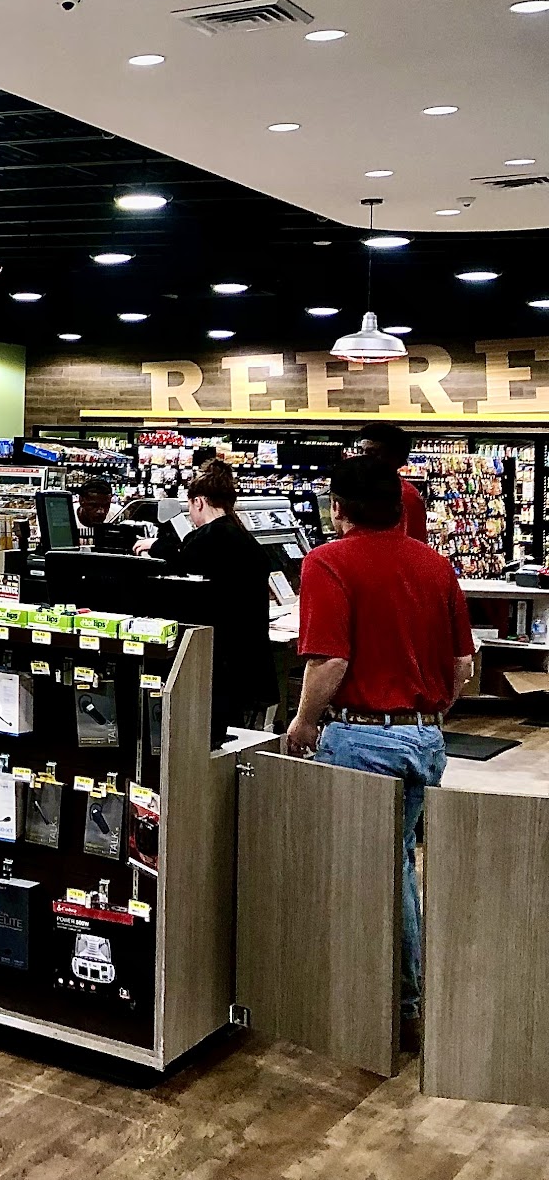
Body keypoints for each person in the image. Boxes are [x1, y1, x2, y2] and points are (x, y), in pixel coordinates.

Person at [286, 454, 474, 1044]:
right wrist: (426, 717)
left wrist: (303, 722)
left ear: (337, 507)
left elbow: (330, 661)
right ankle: (400, 1000)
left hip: (360, 738)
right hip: (425, 739)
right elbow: (463, 665)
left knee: (360, 872)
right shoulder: (435, 565)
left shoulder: (326, 562)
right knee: (399, 864)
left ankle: (384, 1004)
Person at [156, 461, 275, 740]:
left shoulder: (209, 538)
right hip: (248, 661)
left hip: (219, 664)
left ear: (198, 502)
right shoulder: (239, 534)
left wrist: (157, 548)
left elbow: (183, 566)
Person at [143, 445, 223, 563]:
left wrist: (155, 546)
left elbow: (186, 561)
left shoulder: (207, 537)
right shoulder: (235, 529)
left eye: (189, 506)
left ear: (198, 502)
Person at [354, 422, 427, 542]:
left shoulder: (406, 496)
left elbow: (414, 544)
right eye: (361, 451)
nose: (363, 458)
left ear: (395, 458)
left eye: (373, 453)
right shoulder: (360, 488)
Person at [73, 478, 119, 544]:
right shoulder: (68, 516)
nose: (101, 511)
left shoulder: (118, 514)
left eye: (106, 505)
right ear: (81, 501)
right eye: (94, 506)